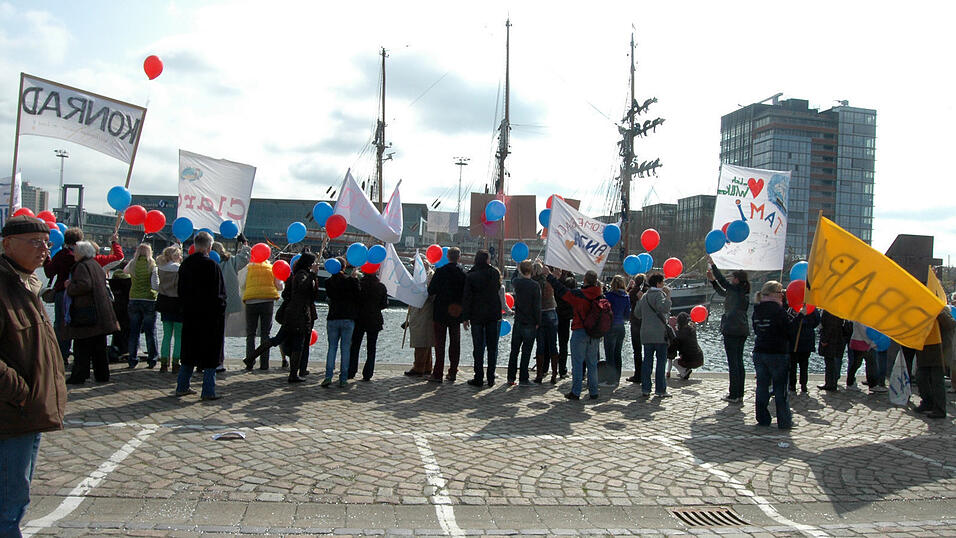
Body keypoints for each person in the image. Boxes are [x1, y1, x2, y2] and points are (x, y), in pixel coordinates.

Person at [0, 215, 67, 535]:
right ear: (8, 244)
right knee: (9, 501)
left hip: (28, 411)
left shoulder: (27, 284)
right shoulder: (5, 287)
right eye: (35, 242)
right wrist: (19, 391)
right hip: (10, 413)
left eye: (47, 243)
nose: (44, 250)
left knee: (17, 497)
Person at [175, 232, 226, 400]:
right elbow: (220, 294)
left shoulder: (185, 265)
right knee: (211, 354)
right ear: (209, 247)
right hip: (210, 317)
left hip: (190, 315)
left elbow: (180, 291)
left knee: (189, 352)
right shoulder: (212, 265)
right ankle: (208, 390)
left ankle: (182, 385)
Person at [63, 241, 120, 385]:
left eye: (76, 251)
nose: (73, 253)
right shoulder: (95, 264)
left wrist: (70, 286)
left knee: (81, 347)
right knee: (99, 347)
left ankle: (79, 375)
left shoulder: (82, 266)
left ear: (81, 253)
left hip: (86, 313)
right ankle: (102, 375)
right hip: (100, 311)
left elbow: (84, 285)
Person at [547, 269, 603, 400]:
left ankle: (576, 391)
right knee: (592, 363)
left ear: (585, 280)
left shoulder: (580, 294)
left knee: (577, 362)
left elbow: (563, 292)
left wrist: (549, 276)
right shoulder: (600, 295)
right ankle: (594, 391)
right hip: (594, 332)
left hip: (580, 330)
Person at [707, 260, 750, 404]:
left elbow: (723, 282)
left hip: (732, 328)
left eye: (733, 277)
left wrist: (713, 266)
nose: (731, 279)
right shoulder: (742, 291)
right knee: (739, 361)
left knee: (733, 363)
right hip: (742, 329)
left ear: (737, 280)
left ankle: (734, 394)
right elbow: (722, 292)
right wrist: (712, 281)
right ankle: (739, 393)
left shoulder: (736, 289)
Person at [751, 281, 792, 429]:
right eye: (781, 293)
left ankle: (762, 418)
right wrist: (800, 316)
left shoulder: (757, 309)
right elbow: (787, 330)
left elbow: (756, 329)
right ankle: (784, 420)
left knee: (762, 386)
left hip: (760, 350)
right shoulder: (778, 311)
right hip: (777, 352)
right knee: (780, 388)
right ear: (775, 294)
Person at [461, 250, 503, 387]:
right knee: (492, 347)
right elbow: (498, 287)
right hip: (493, 314)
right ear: (487, 260)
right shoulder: (494, 273)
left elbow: (467, 298)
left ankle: (478, 377)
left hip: (477, 315)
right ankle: (491, 377)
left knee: (478, 348)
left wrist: (465, 317)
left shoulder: (471, 275)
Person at [43, 226, 83, 364]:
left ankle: (60, 353)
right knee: (75, 322)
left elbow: (49, 272)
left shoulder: (62, 255)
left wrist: (47, 258)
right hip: (78, 293)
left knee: (60, 323)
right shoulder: (81, 256)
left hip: (62, 293)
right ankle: (73, 350)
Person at [427, 247, 467, 383]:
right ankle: (453, 372)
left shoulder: (440, 271)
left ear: (448, 256)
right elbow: (466, 294)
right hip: (456, 313)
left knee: (440, 344)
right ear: (459, 257)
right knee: (455, 344)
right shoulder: (463, 273)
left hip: (440, 312)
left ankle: (438, 373)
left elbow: (431, 290)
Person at [280, 253, 321, 383]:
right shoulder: (302, 275)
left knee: (289, 341)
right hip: (300, 313)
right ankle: (296, 371)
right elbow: (304, 289)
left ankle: (299, 369)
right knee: (298, 343)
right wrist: (313, 275)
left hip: (301, 312)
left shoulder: (299, 274)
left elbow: (313, 293)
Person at [213, 238, 250, 372]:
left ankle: (204, 361)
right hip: (226, 301)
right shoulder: (231, 261)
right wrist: (245, 245)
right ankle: (219, 362)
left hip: (210, 301)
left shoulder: (210, 262)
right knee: (220, 332)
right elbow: (245, 258)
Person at [241, 255, 283, 371]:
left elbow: (242, 284)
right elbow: (279, 286)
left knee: (251, 333)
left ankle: (250, 362)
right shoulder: (271, 267)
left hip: (251, 301)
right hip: (267, 302)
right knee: (265, 333)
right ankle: (264, 364)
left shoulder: (248, 268)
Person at [323, 257, 359, 387]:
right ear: (343, 267)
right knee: (345, 349)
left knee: (332, 348)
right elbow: (358, 295)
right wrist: (355, 278)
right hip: (347, 317)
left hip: (333, 317)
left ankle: (328, 376)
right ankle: (343, 378)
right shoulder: (350, 281)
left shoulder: (328, 282)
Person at [349, 265, 388, 381]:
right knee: (371, 347)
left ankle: (351, 370)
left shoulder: (359, 284)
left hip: (359, 318)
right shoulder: (381, 286)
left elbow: (353, 300)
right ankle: (368, 373)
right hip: (374, 318)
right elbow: (384, 304)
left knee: (355, 346)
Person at [914, 311, 956, 419]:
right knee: (921, 378)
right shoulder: (919, 310)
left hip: (939, 351)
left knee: (937, 381)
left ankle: (939, 409)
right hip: (924, 350)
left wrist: (938, 313)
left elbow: (951, 324)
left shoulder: (940, 309)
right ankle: (927, 402)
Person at [123, 243, 159, 369]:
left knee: (134, 331)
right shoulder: (152, 265)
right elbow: (155, 285)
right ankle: (152, 359)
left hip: (134, 298)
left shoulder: (132, 263)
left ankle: (132, 359)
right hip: (148, 299)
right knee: (150, 331)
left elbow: (125, 271)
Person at [637, 273, 672, 398]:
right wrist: (668, 296)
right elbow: (664, 308)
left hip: (646, 334)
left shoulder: (645, 296)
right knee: (661, 362)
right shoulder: (659, 295)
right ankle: (660, 389)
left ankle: (646, 388)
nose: (664, 285)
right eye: (662, 282)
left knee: (647, 362)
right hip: (659, 334)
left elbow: (637, 313)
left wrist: (639, 300)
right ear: (658, 284)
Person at [507, 260, 541, 386]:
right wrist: (538, 321)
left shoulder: (518, 283)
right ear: (531, 271)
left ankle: (511, 377)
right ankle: (523, 378)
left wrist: (517, 269)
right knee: (526, 352)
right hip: (530, 321)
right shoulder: (535, 285)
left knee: (514, 351)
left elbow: (513, 279)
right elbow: (537, 305)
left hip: (518, 320)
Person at [154, 246, 184, 374]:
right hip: (178, 303)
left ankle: (164, 363)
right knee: (178, 336)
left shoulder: (160, 267)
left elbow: (155, 285)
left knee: (166, 335)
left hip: (164, 301)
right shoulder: (179, 269)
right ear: (176, 256)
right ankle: (176, 363)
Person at [404, 264, 435, 377]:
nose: (413, 266)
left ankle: (419, 367)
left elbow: (428, 293)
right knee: (424, 340)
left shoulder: (429, 276)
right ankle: (427, 366)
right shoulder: (424, 275)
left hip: (423, 312)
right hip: (419, 312)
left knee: (421, 340)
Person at [531, 262, 559, 384]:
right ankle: (554, 374)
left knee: (540, 345)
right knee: (553, 344)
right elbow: (558, 274)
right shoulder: (549, 281)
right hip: (551, 311)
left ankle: (539, 374)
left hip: (539, 314)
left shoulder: (533, 283)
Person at [602, 274, 631, 386]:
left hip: (610, 326)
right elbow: (627, 315)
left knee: (609, 354)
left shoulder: (609, 296)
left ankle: (610, 379)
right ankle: (617, 378)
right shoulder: (626, 297)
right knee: (618, 353)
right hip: (621, 326)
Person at [787, 307, 820, 393]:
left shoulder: (793, 309)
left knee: (798, 365)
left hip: (798, 341)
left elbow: (789, 324)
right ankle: (798, 384)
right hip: (799, 341)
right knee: (799, 365)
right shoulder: (812, 310)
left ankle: (798, 384)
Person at [817, 309, 850, 391]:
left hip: (831, 341)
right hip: (837, 339)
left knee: (829, 363)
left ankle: (830, 383)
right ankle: (832, 382)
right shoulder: (838, 310)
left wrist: (824, 340)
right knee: (832, 362)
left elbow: (829, 326)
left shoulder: (829, 311)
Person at [667, 312, 704, 380]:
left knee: (675, 362)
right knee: (684, 356)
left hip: (690, 360)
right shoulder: (692, 329)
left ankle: (684, 373)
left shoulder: (679, 334)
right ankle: (684, 371)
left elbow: (673, 349)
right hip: (700, 357)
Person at [554, 269, 576, 380]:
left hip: (556, 313)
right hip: (566, 316)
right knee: (563, 344)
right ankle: (562, 370)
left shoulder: (558, 283)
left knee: (552, 343)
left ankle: (551, 369)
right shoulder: (571, 282)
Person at [107, 268, 131, 362]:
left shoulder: (112, 284)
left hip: (115, 312)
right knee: (128, 332)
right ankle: (127, 351)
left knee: (117, 334)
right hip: (127, 312)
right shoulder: (128, 284)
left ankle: (116, 349)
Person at [625, 274, 646, 384]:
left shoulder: (633, 292)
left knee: (637, 350)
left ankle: (638, 374)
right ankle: (646, 373)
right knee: (648, 350)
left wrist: (628, 288)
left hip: (635, 323)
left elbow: (626, 299)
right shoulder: (648, 291)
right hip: (646, 323)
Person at [846, 321, 875, 389]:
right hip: (859, 343)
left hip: (862, 342)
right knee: (857, 363)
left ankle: (871, 382)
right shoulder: (859, 320)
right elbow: (863, 331)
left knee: (868, 362)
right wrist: (870, 342)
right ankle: (850, 382)